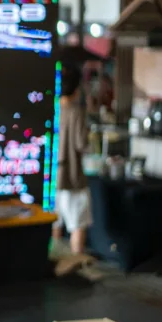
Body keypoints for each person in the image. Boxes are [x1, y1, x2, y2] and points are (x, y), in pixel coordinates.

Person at [54, 63, 93, 274]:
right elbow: (81, 144)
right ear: (77, 89)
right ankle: (78, 268)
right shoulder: (76, 112)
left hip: (54, 178)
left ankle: (54, 262)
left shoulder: (53, 110)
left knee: (55, 223)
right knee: (78, 223)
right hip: (72, 177)